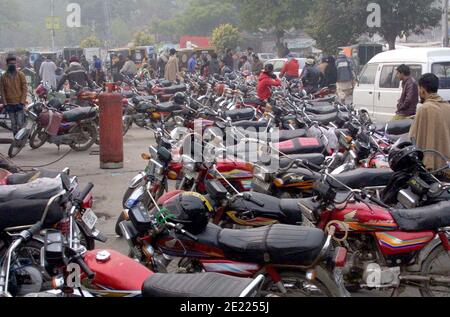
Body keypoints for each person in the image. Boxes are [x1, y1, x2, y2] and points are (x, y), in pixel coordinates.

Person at [410, 73, 450, 181]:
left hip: (430, 169)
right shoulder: (447, 106)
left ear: (422, 89)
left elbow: (414, 137)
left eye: (419, 89)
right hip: (446, 166)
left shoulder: (425, 109)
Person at [0, 55, 28, 136]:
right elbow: (2, 91)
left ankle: (22, 138)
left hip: (19, 103)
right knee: (13, 124)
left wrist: (22, 102)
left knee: (20, 122)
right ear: (7, 64)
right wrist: (5, 104)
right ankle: (16, 139)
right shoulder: (3, 77)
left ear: (16, 64)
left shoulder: (21, 75)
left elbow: (25, 89)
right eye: (10, 63)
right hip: (9, 104)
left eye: (13, 63)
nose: (12, 65)